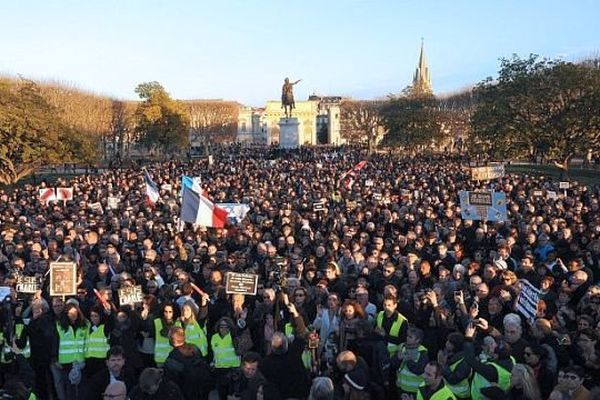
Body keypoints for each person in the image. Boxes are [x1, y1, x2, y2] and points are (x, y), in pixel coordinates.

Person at [163, 327, 212, 400]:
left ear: (172, 340)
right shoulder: (195, 348)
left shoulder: (173, 357)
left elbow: (171, 381)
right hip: (201, 389)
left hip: (185, 392)